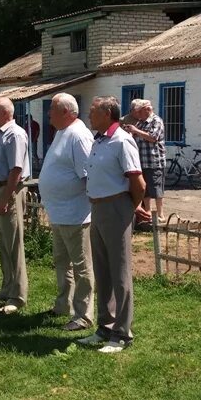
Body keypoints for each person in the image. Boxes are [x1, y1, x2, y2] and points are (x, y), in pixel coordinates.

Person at [76, 96, 146, 354]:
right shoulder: (100, 140)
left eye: (93, 111)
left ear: (107, 113)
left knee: (119, 271)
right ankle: (105, 326)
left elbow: (138, 182)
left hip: (116, 208)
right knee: (103, 270)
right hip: (98, 207)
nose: (89, 115)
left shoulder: (122, 141)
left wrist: (131, 206)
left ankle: (122, 333)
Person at [38, 93, 94, 332]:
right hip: (59, 213)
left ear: (66, 112)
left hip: (75, 213)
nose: (48, 113)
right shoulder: (62, 132)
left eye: (52, 109)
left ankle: (84, 314)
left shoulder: (79, 136)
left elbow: (89, 176)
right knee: (62, 262)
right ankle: (64, 304)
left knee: (81, 266)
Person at [0, 97, 31, 314]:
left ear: (6, 113)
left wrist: (4, 197)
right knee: (3, 242)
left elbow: (16, 170)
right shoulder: (2, 134)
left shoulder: (15, 134)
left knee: (14, 244)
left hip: (8, 190)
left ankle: (18, 295)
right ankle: (7, 286)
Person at [122, 99, 166, 222]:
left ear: (147, 110)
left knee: (156, 188)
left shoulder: (156, 121)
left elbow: (153, 137)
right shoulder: (141, 122)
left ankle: (160, 214)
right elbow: (136, 136)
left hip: (154, 161)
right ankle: (148, 212)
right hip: (141, 161)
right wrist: (129, 132)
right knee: (145, 189)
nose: (138, 115)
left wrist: (136, 131)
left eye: (139, 112)